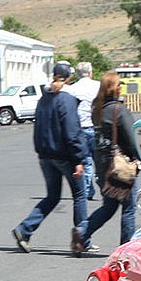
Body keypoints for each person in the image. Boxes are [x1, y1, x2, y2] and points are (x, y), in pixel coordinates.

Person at [10, 61, 89, 255]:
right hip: (64, 156)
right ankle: (82, 238)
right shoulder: (66, 99)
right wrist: (78, 159)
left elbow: (38, 127)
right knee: (80, 195)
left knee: (52, 196)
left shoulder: (44, 98)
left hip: (45, 155)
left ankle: (24, 229)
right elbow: (72, 132)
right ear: (69, 78)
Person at [81, 72, 139, 252]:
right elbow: (131, 140)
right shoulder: (119, 110)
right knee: (129, 208)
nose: (121, 88)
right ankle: (126, 249)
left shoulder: (97, 109)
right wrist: (138, 158)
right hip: (120, 167)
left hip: (102, 165)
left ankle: (82, 232)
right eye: (119, 85)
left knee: (109, 205)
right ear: (114, 89)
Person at [63, 61, 100, 201]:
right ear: (90, 73)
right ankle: (102, 186)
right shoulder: (98, 86)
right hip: (96, 126)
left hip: (80, 127)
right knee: (100, 160)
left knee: (86, 161)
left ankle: (88, 190)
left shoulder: (72, 89)